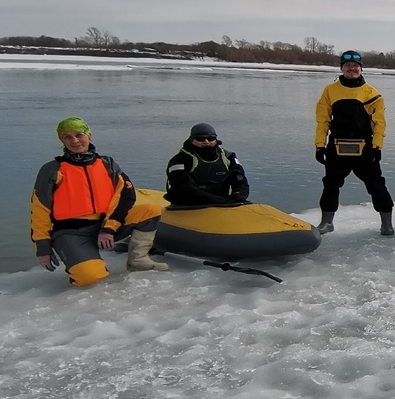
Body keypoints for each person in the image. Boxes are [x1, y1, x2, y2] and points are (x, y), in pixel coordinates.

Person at [30, 117, 169, 286]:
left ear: (89, 136)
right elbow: (39, 210)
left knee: (150, 210)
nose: (75, 140)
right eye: (67, 137)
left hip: (105, 227)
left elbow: (126, 196)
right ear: (62, 140)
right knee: (90, 277)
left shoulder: (106, 163)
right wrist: (43, 248)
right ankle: (81, 260)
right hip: (71, 232)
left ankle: (138, 261)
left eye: (79, 135)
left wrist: (109, 228)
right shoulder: (52, 169)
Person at [314, 50, 395, 236]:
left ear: (361, 68)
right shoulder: (330, 91)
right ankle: (327, 222)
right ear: (342, 68)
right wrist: (320, 145)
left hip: (365, 148)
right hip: (337, 147)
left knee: (377, 186)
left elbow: (379, 123)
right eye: (348, 66)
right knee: (330, 185)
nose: (352, 69)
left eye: (356, 66)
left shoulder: (371, 93)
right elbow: (322, 121)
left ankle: (386, 224)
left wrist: (377, 147)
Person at [164, 122, 250, 206]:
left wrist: (237, 198)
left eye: (211, 138)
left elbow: (240, 181)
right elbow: (184, 188)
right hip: (187, 205)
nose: (206, 142)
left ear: (216, 140)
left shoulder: (228, 157)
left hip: (221, 203)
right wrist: (220, 201)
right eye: (200, 139)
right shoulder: (179, 160)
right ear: (192, 140)